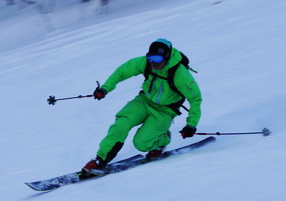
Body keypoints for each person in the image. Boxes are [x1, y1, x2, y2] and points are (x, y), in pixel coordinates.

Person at [81, 38, 202, 177]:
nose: (153, 62)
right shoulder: (147, 63)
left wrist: (191, 125)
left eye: (157, 58)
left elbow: (195, 98)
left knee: (141, 143)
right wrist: (105, 88)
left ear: (167, 57)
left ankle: (162, 140)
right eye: (151, 57)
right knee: (121, 124)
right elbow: (123, 71)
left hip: (165, 111)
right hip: (143, 101)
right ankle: (99, 161)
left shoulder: (180, 74)